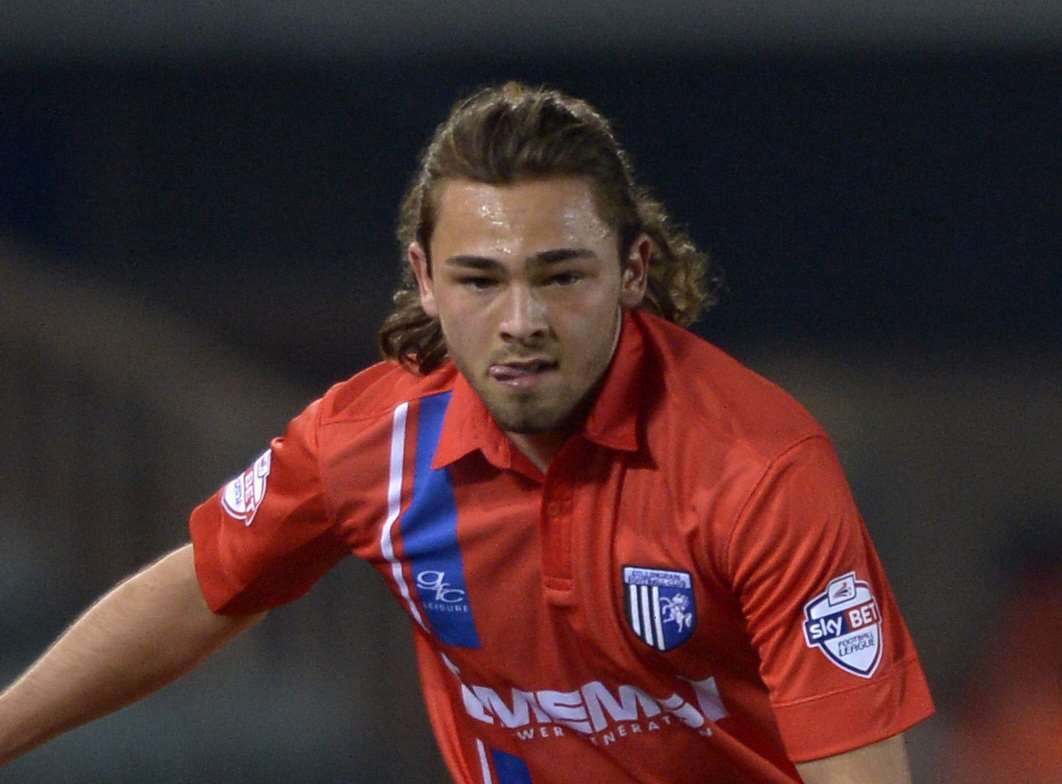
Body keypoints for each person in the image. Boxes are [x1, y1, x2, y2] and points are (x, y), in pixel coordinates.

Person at [0, 82, 933, 782]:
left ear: (634, 269)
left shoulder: (755, 468)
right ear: (426, 278)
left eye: (561, 276)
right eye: (481, 280)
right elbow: (202, 590)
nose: (521, 318)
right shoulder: (372, 443)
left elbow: (858, 764)